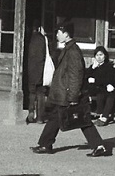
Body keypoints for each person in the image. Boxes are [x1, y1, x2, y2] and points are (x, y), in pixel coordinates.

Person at [32, 21, 110, 157]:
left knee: (82, 119)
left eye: (59, 32)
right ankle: (45, 144)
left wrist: (73, 96)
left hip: (68, 93)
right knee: (59, 117)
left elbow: (76, 75)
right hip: (65, 92)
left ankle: (98, 146)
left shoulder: (73, 52)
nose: (56, 35)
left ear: (66, 34)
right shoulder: (69, 49)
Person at [25, 22, 50, 124]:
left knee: (31, 93)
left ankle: (31, 111)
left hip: (30, 69)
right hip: (40, 70)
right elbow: (43, 56)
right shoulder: (42, 39)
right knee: (41, 94)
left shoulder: (28, 38)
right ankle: (40, 117)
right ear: (40, 28)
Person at [86, 46, 115, 124]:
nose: (99, 57)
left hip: (102, 88)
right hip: (93, 88)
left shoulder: (108, 66)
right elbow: (86, 77)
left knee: (102, 94)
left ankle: (102, 115)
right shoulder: (93, 66)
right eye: (97, 55)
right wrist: (93, 68)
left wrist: (95, 80)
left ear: (105, 56)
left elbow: (107, 79)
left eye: (101, 55)